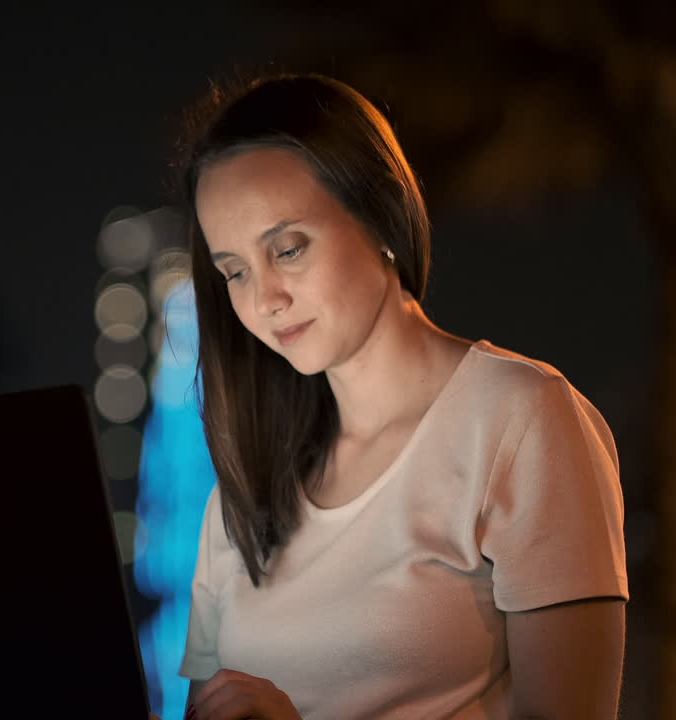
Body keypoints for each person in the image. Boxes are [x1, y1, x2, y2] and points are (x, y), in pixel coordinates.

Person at [168, 73, 628, 719]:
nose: (264, 299)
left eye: (289, 249)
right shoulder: (243, 492)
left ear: (378, 214)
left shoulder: (519, 421)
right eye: (235, 272)